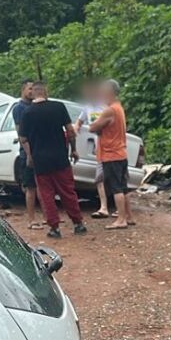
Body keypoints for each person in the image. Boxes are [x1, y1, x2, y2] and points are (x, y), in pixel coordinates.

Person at [19, 81, 87, 238]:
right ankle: (78, 223)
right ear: (46, 92)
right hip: (60, 158)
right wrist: (74, 150)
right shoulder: (58, 107)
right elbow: (70, 131)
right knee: (68, 192)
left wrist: (30, 155)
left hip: (40, 161)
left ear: (34, 93)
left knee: (46, 195)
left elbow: (23, 138)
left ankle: (54, 228)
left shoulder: (27, 113)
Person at [89, 79, 133, 230]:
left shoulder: (110, 110)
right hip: (121, 153)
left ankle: (121, 220)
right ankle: (129, 216)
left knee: (116, 188)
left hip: (111, 154)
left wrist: (95, 125)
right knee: (123, 186)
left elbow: (93, 127)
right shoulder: (118, 107)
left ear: (110, 92)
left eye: (103, 92)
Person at [74, 81, 110, 219]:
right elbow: (79, 121)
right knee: (99, 178)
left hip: (109, 147)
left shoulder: (106, 107)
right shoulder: (87, 107)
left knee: (113, 179)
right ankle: (104, 207)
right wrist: (76, 128)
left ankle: (122, 210)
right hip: (98, 148)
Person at [12, 78, 42, 230]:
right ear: (23, 90)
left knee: (42, 185)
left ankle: (45, 217)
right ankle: (31, 220)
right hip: (28, 152)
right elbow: (20, 133)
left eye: (34, 89)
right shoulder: (19, 108)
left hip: (40, 150)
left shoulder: (37, 106)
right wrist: (28, 152)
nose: (32, 92)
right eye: (30, 89)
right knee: (30, 187)